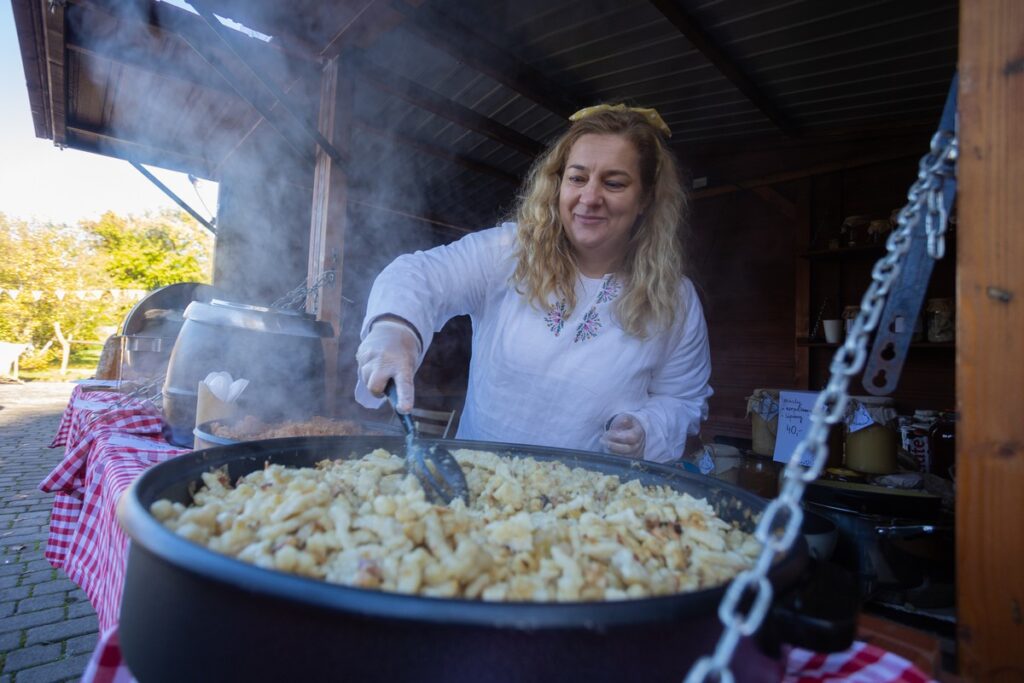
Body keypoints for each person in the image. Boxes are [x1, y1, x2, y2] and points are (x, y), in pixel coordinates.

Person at [355, 104, 712, 463]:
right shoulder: (510, 253)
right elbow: (420, 275)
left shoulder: (675, 300)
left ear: (645, 199)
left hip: (593, 507)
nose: (589, 198)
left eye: (614, 183)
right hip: (481, 490)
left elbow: (683, 400)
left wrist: (647, 429)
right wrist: (395, 328)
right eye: (577, 178)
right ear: (558, 184)